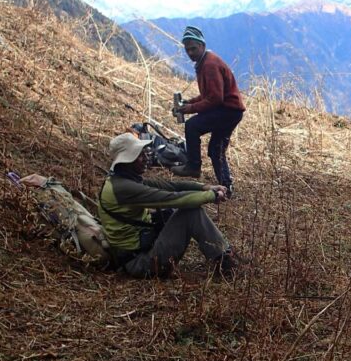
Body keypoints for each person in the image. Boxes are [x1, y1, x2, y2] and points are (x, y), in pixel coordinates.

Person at [99, 132, 237, 278]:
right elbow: (173, 198)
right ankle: (225, 262)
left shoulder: (122, 180)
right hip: (139, 264)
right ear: (127, 161)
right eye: (140, 155)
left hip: (141, 254)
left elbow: (172, 186)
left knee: (171, 212)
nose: (146, 158)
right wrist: (211, 196)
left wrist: (206, 187)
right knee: (190, 213)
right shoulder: (124, 188)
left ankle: (224, 255)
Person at [170, 26, 246, 196]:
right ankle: (226, 187)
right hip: (230, 111)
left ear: (202, 46)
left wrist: (190, 108)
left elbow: (215, 99)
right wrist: (189, 102)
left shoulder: (209, 65)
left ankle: (194, 166)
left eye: (193, 48)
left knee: (192, 126)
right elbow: (208, 94)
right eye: (187, 49)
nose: (190, 53)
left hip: (227, 110)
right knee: (215, 149)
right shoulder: (206, 61)